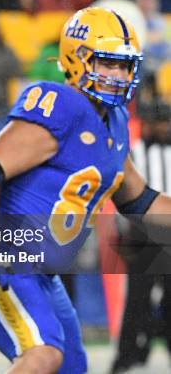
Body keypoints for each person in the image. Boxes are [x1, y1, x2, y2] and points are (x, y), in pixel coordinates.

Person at [0, 7, 171, 374]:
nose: (118, 75)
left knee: (71, 367)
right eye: (107, 64)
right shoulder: (62, 103)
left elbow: (139, 200)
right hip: (6, 259)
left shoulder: (116, 119)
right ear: (77, 59)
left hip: (41, 274)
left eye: (124, 66)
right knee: (43, 355)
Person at [110, 101, 171, 374]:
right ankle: (127, 355)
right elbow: (122, 196)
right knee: (137, 297)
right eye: (160, 123)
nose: (165, 128)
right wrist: (122, 233)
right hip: (142, 233)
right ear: (147, 124)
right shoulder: (134, 153)